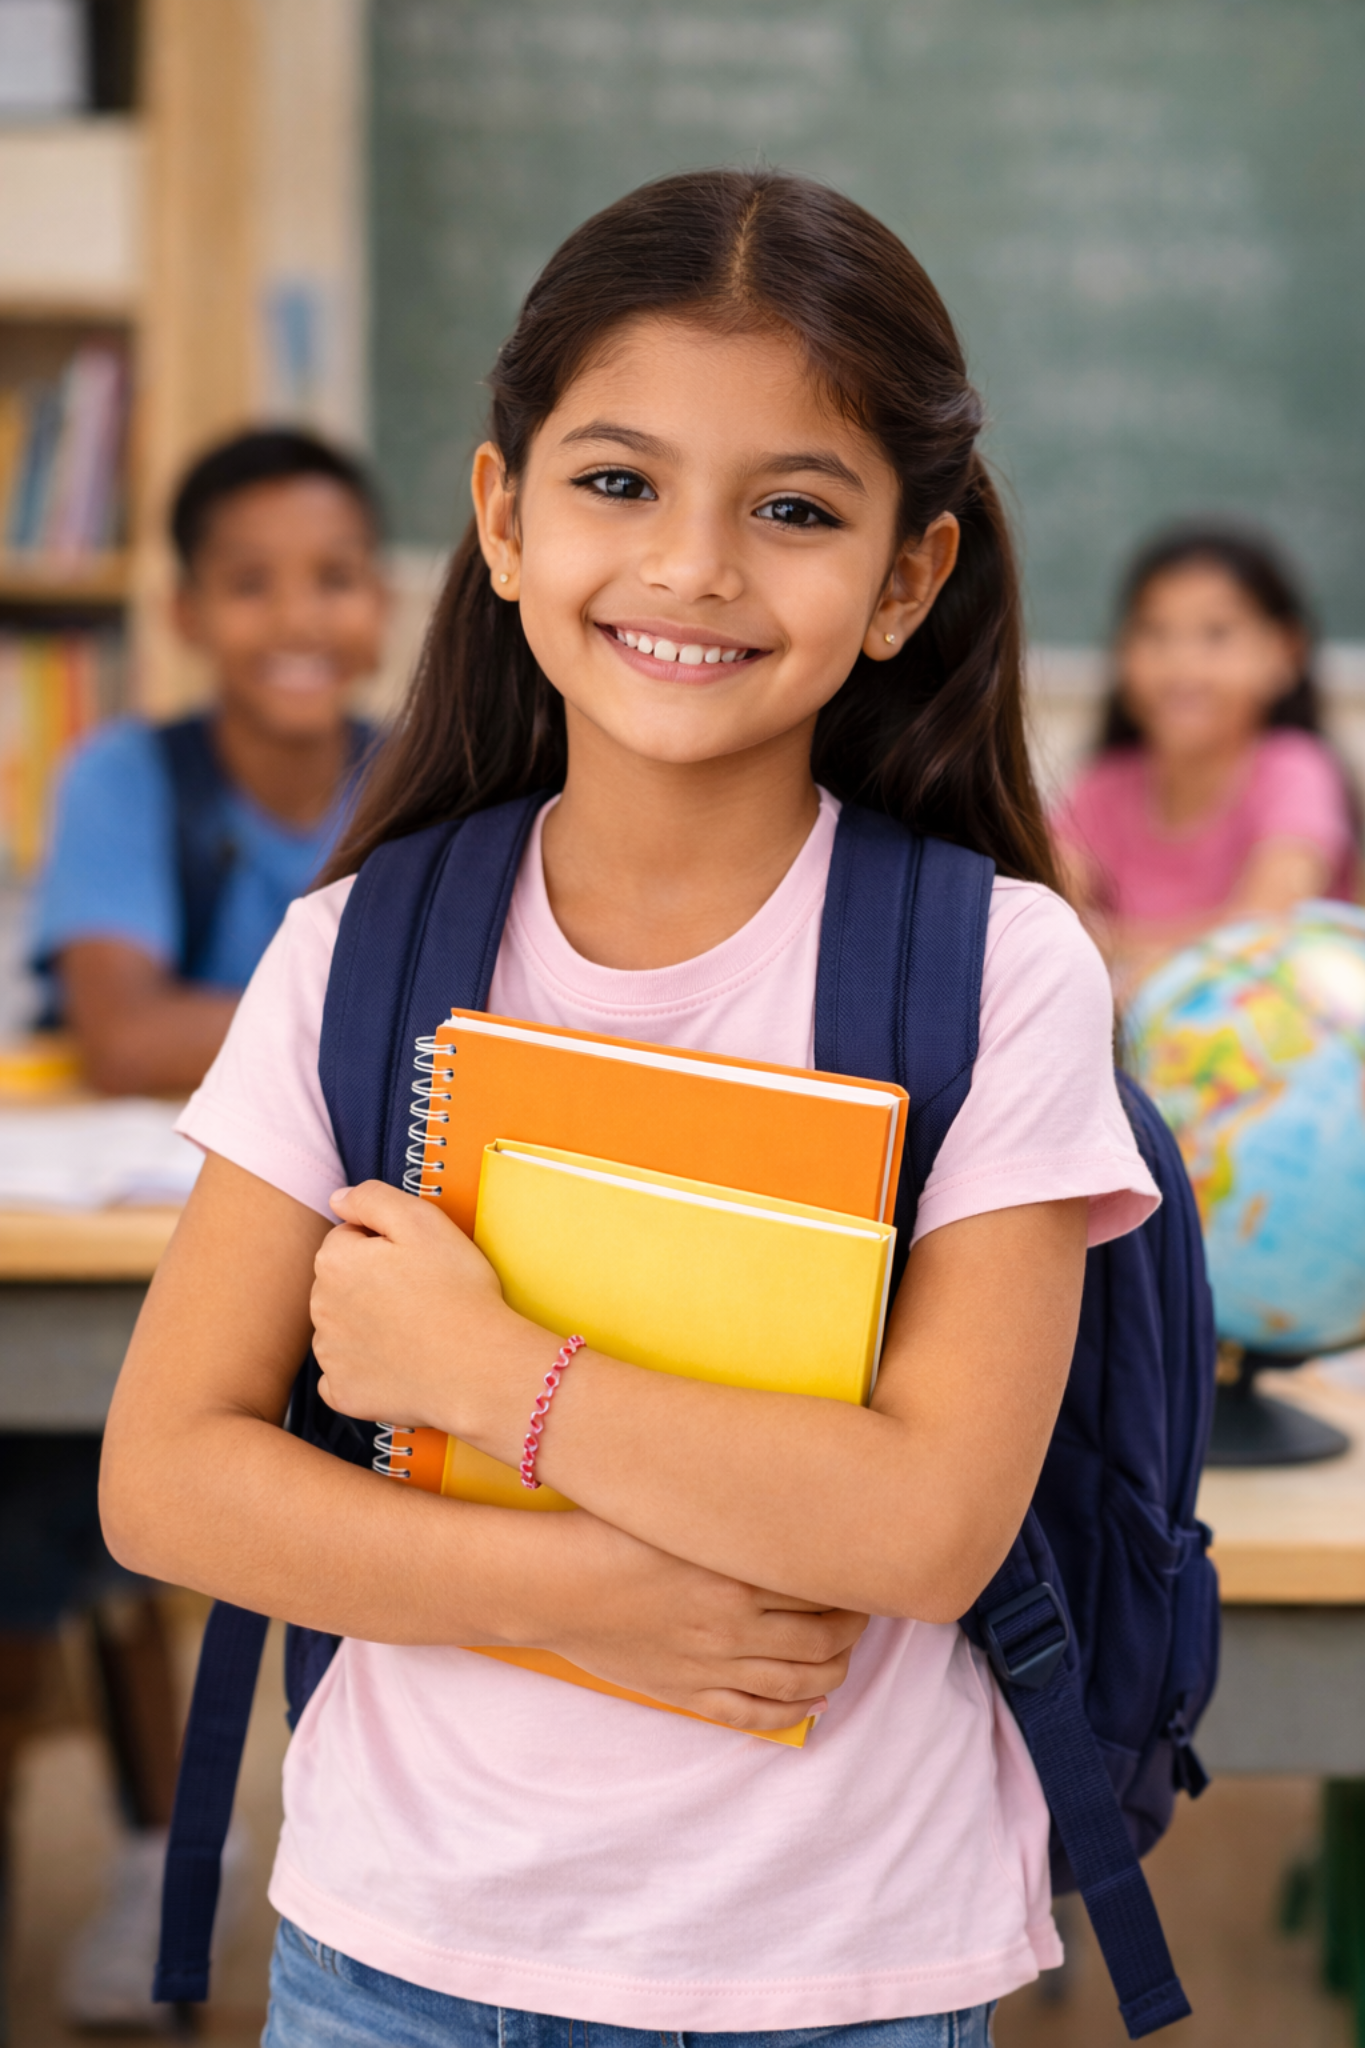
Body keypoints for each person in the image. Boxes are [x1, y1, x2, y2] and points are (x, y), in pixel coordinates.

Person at [103, 171, 1159, 2048]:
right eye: (617, 481)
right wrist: (597, 1591)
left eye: (796, 509)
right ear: (502, 517)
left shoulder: (999, 969)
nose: (693, 567)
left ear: (909, 576)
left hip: (841, 1971)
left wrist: (492, 1370)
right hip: (393, 1952)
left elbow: (924, 1522)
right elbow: (168, 1475)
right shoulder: (357, 949)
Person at [4, 427, 386, 2030]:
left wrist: (217, 1022)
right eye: (248, 583)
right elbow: (117, 1030)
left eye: (333, 577)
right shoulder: (124, 778)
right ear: (180, 611)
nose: (295, 617)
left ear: (387, 599)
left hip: (363, 1259)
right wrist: (333, 1027)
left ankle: (226, 1855)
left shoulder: (424, 774)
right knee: (49, 1512)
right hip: (132, 1237)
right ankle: (169, 1847)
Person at [1052, 524, 1357, 999]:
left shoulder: (1294, 770)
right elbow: (1045, 918)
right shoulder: (1100, 788)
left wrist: (1111, 943)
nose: (1181, 664)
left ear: (1284, 653)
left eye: (1215, 635)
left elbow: (1260, 933)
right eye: (1153, 632)